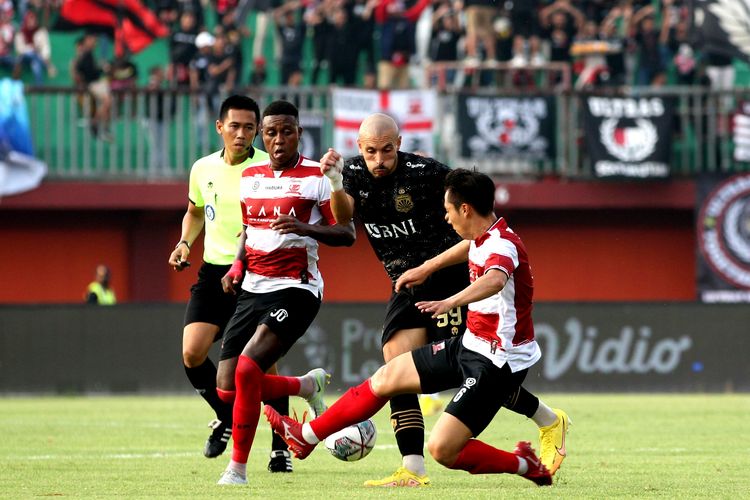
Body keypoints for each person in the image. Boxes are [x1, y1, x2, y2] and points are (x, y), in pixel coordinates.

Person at [317, 113, 569, 487]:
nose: (380, 159)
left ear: (399, 143)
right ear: (360, 149)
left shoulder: (427, 173)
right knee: (396, 367)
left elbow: (473, 203)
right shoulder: (351, 173)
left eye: (387, 150)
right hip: (409, 280)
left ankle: (546, 419)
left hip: (454, 283)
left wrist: (450, 296)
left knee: (481, 369)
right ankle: (413, 468)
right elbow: (343, 219)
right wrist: (334, 181)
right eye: (372, 151)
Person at [264, 169, 559, 488]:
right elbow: (470, 249)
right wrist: (426, 267)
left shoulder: (502, 245)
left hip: (498, 363)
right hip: (471, 343)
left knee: (443, 450)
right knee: (387, 377)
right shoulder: (485, 234)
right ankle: (306, 436)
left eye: (448, 211)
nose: (446, 219)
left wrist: (449, 302)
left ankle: (524, 464)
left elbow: (495, 279)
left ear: (465, 209)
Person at [215, 100, 356, 485]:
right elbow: (249, 230)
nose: (279, 140)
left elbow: (346, 234)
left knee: (247, 368)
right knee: (227, 390)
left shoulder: (317, 176)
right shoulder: (251, 176)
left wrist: (303, 227)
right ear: (263, 134)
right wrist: (236, 265)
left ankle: (237, 469)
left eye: (287, 131)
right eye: (272, 132)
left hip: (297, 288)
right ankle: (306, 386)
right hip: (252, 287)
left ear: (299, 133)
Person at [167, 95, 296, 472]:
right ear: (219, 127)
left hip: (256, 271)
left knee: (264, 362)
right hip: (212, 271)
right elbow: (194, 212)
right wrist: (184, 242)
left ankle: (280, 446)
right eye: (235, 126)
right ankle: (227, 414)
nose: (242, 134)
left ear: (258, 130)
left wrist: (242, 263)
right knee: (192, 353)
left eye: (249, 127)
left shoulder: (266, 169)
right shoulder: (202, 168)